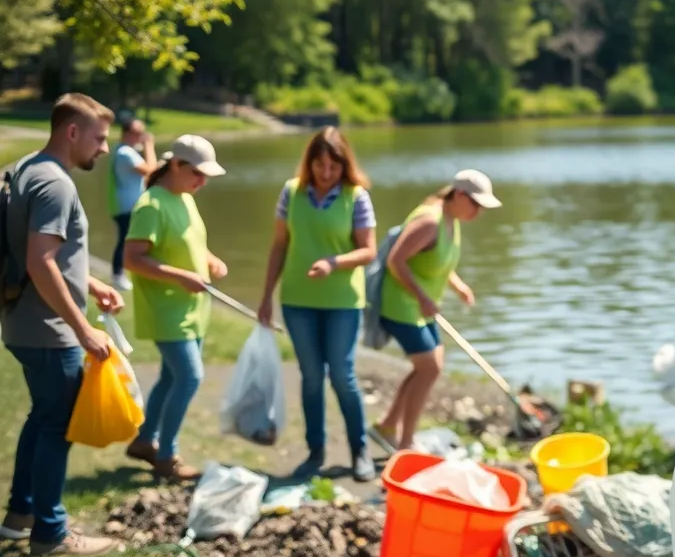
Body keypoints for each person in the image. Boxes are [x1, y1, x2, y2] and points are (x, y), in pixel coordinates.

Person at [0, 93, 123, 556]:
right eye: (99, 138)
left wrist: (88, 282)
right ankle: (50, 533)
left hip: (23, 323)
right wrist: (82, 329)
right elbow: (40, 261)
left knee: (42, 417)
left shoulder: (27, 167)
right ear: (72, 132)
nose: (104, 149)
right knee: (58, 425)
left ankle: (20, 517)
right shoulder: (56, 184)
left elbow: (39, 250)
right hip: (49, 329)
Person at [257, 127, 377, 482]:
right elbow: (279, 245)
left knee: (342, 374)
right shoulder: (290, 193)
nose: (327, 173)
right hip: (298, 301)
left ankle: (360, 451)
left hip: (342, 301)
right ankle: (315, 452)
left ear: (345, 166)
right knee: (311, 377)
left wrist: (334, 263)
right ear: (309, 163)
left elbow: (369, 251)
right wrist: (265, 296)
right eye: (320, 165)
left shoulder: (356, 197)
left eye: (334, 167)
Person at [370, 170, 500, 452]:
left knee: (427, 367)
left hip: (422, 307)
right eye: (476, 205)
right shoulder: (430, 220)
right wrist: (422, 297)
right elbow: (396, 261)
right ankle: (405, 444)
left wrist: (459, 286)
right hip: (402, 305)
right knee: (430, 367)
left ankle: (388, 426)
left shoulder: (452, 219)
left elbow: (439, 261)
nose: (479, 212)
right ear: (460, 196)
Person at [123, 135, 228, 482]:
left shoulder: (185, 198)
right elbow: (133, 259)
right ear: (177, 165)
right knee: (189, 376)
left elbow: (190, 241)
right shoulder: (151, 204)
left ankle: (143, 442)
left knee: (171, 377)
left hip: (192, 308)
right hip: (165, 309)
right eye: (198, 173)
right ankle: (167, 456)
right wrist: (181, 276)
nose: (202, 182)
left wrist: (211, 260)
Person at [106, 117, 156, 291]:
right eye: (138, 133)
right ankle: (118, 276)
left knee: (126, 240)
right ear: (127, 133)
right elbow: (151, 170)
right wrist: (149, 146)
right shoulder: (126, 153)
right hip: (126, 206)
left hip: (127, 205)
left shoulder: (124, 151)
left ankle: (122, 275)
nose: (141, 136)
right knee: (125, 241)